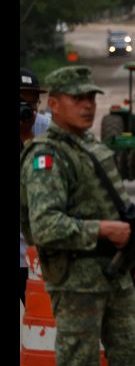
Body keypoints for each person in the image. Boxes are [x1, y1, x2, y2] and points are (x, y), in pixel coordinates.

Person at [20, 66, 135, 366]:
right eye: (77, 98)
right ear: (54, 105)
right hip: (77, 283)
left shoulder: (93, 147)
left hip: (117, 275)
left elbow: (115, 208)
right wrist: (102, 230)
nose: (88, 105)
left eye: (91, 97)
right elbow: (45, 226)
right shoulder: (46, 156)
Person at [20, 68, 51, 305]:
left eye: (32, 104)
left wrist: (28, 137)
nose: (26, 110)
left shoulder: (47, 129)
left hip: (35, 255)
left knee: (41, 319)